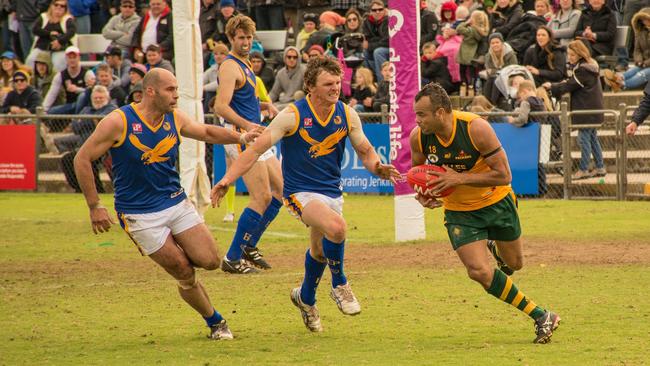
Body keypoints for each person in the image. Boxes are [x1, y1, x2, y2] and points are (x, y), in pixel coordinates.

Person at [210, 57, 401, 332]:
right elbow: (253, 151)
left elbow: (366, 151)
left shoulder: (347, 114)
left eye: (337, 83)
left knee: (320, 251)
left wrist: (377, 167)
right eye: (328, 84)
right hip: (300, 193)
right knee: (337, 228)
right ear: (310, 86)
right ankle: (340, 285)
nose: (335, 89)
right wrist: (227, 179)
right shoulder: (292, 115)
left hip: (332, 192)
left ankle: (306, 298)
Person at [73, 68, 261, 341]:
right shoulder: (119, 121)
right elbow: (82, 158)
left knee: (210, 260)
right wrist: (94, 205)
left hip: (175, 202)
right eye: (170, 90)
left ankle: (190, 276)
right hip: (139, 213)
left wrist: (240, 137)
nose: (176, 95)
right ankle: (215, 321)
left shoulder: (173, 117)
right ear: (150, 91)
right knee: (183, 270)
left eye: (177, 89)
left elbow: (206, 130)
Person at [409, 82, 560, 344]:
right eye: (416, 114)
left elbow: (504, 175)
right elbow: (420, 176)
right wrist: (426, 195)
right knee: (478, 271)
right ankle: (541, 315)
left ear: (441, 112)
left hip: (496, 202)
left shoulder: (475, 128)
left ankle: (493, 244)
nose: (417, 120)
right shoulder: (419, 137)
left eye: (422, 114)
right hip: (459, 212)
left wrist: (458, 179)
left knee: (514, 264)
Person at [214, 15, 282, 274]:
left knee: (281, 191)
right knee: (262, 196)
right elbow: (221, 106)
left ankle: (249, 244)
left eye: (249, 37)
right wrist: (247, 125)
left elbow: (245, 100)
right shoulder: (230, 66)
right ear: (231, 38)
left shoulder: (245, 64)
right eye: (241, 37)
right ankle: (232, 258)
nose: (245, 42)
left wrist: (264, 106)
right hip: (242, 136)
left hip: (255, 135)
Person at [543, 40, 605, 179]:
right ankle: (600, 167)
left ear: (580, 54)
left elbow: (569, 86)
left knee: (583, 140)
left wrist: (552, 87)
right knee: (593, 138)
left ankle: (583, 169)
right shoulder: (589, 66)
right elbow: (569, 82)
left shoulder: (583, 69)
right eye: (568, 55)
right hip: (593, 109)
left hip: (586, 110)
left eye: (572, 54)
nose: (569, 57)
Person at [604, 8, 650, 92]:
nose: (645, 22)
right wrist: (639, 61)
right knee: (633, 70)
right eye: (642, 20)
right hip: (644, 63)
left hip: (647, 63)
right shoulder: (641, 32)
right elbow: (637, 50)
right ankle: (618, 78)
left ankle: (621, 84)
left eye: (646, 19)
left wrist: (646, 63)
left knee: (642, 74)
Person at [26, 0, 77, 72]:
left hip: (60, 49)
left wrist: (59, 41)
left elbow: (71, 31)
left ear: (65, 9)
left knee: (58, 63)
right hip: (42, 48)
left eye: (62, 6)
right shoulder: (44, 17)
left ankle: (57, 82)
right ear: (51, 6)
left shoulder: (67, 19)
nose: (58, 7)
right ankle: (32, 81)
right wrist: (49, 33)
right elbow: (35, 29)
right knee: (31, 59)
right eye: (56, 5)